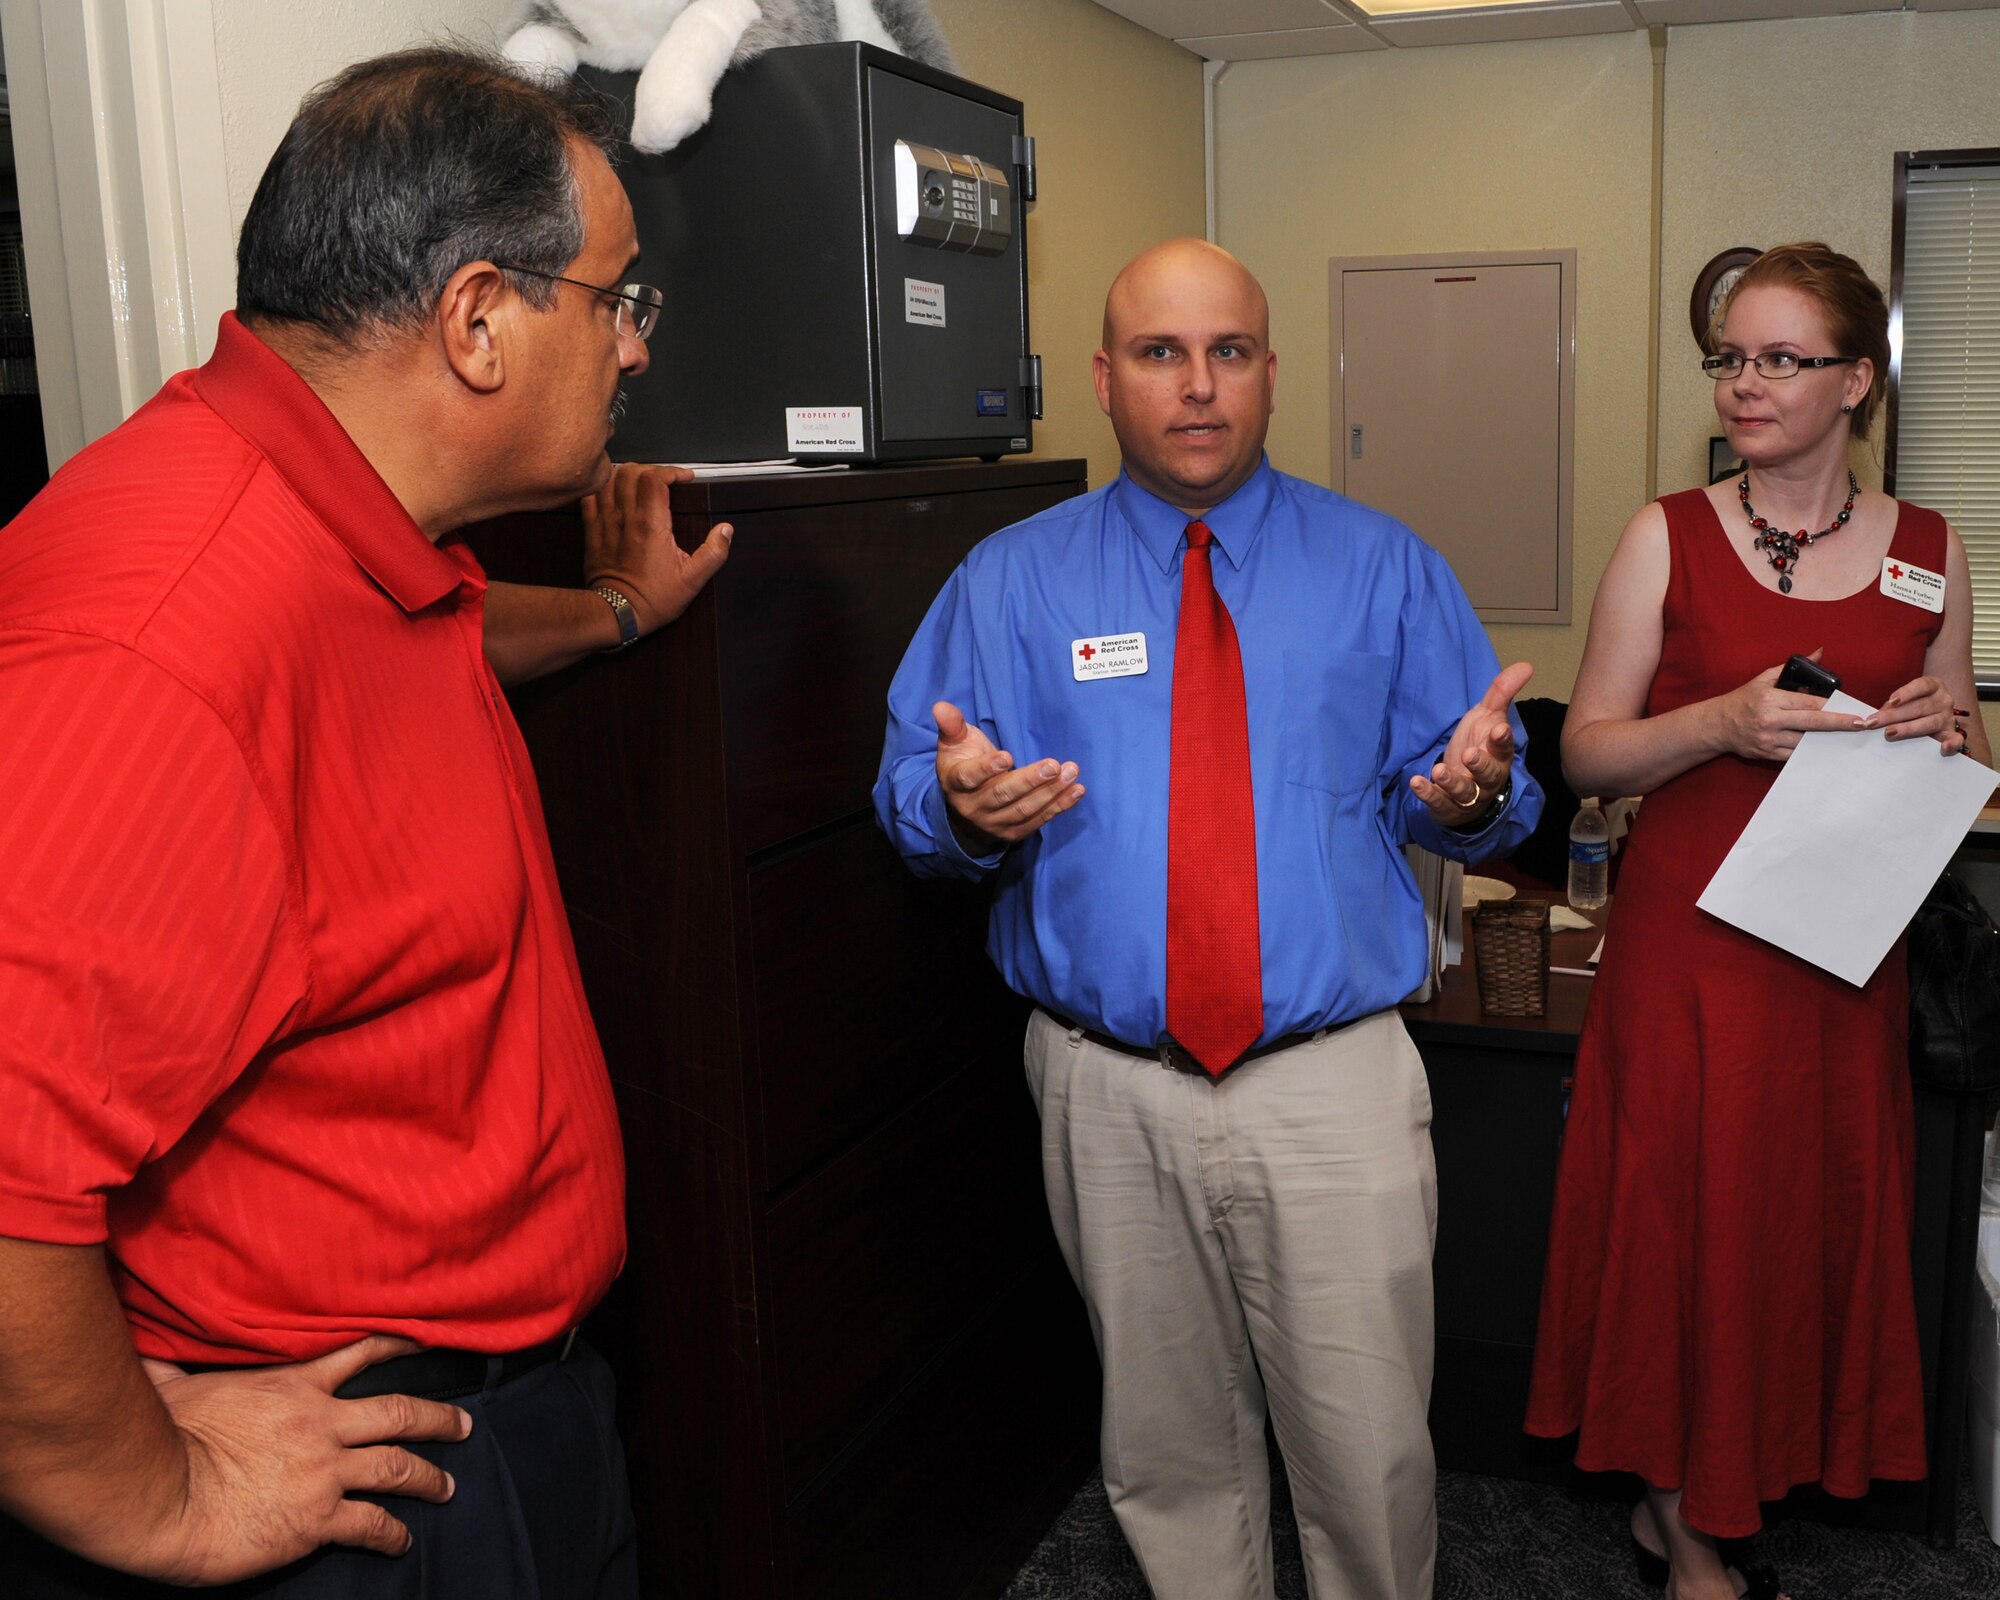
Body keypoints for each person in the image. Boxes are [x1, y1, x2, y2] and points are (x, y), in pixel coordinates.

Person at [0, 48, 731, 1598]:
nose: (634, 352)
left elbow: (425, 647)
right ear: (478, 320)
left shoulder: (348, 521)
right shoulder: (157, 641)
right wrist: (155, 1498)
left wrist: (609, 608)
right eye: (617, 302)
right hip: (355, 1487)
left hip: (511, 1418)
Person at [873, 237, 1543, 1600]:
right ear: (1106, 381)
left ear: (1272, 375)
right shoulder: (1010, 584)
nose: (1198, 387)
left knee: (1367, 1456)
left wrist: (1473, 796)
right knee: (1169, 1458)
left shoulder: (1383, 569)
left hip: (1332, 1086)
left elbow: (1468, 796)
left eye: (1228, 352)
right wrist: (961, 811)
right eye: (1162, 355)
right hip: (1107, 1094)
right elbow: (908, 793)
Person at [1525, 242, 1990, 1600]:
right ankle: (1690, 1540)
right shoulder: (1662, 533)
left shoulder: (1929, 553)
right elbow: (1589, 757)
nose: (1745, 383)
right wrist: (1721, 722)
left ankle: (1696, 1498)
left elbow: (1958, 752)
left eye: (1782, 358)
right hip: (1691, 959)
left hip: (1842, 961)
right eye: (1731, 356)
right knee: (1684, 1229)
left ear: (1858, 379)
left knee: (1789, 1233)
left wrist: (1946, 727)